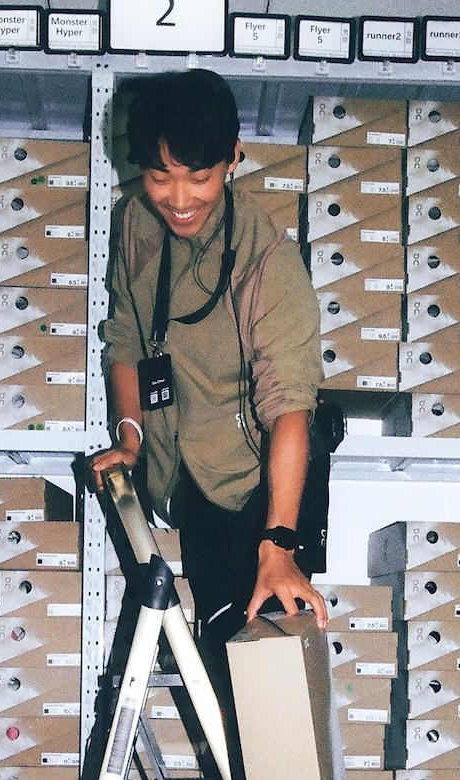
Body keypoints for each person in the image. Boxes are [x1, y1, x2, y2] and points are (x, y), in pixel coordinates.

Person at [90, 69, 329, 648]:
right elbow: (125, 339)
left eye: (198, 178)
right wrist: (131, 439)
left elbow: (291, 407)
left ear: (233, 160)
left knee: (260, 663)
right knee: (218, 647)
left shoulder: (268, 261)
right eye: (159, 176)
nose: (178, 199)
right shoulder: (134, 224)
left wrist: (278, 546)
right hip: (189, 473)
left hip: (264, 485)